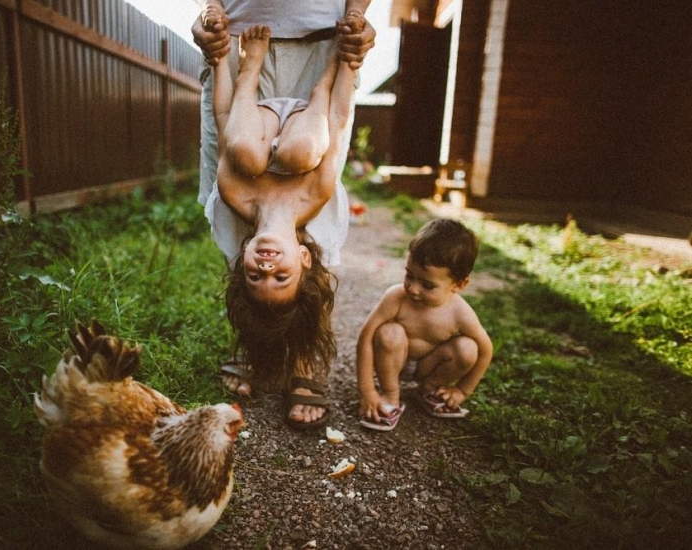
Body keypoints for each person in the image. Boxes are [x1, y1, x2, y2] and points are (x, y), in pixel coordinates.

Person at [192, 0, 375, 429]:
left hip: (249, 92)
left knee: (243, 154)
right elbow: (336, 117)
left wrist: (227, 64)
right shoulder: (314, 196)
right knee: (300, 154)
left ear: (243, 259)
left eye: (255, 275)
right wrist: (341, 65)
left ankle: (250, 69)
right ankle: (271, 345)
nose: (267, 267)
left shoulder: (236, 195)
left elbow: (224, 116)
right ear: (305, 258)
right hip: (309, 106)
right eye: (281, 276)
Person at [356, 218, 494, 430]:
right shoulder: (396, 298)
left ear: (459, 284)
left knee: (468, 348)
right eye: (409, 275)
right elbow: (366, 338)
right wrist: (367, 391)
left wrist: (462, 390)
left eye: (427, 285)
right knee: (389, 332)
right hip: (394, 361)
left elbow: (485, 350)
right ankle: (390, 394)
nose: (413, 289)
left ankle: (429, 390)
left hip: (429, 366)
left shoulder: (460, 312)